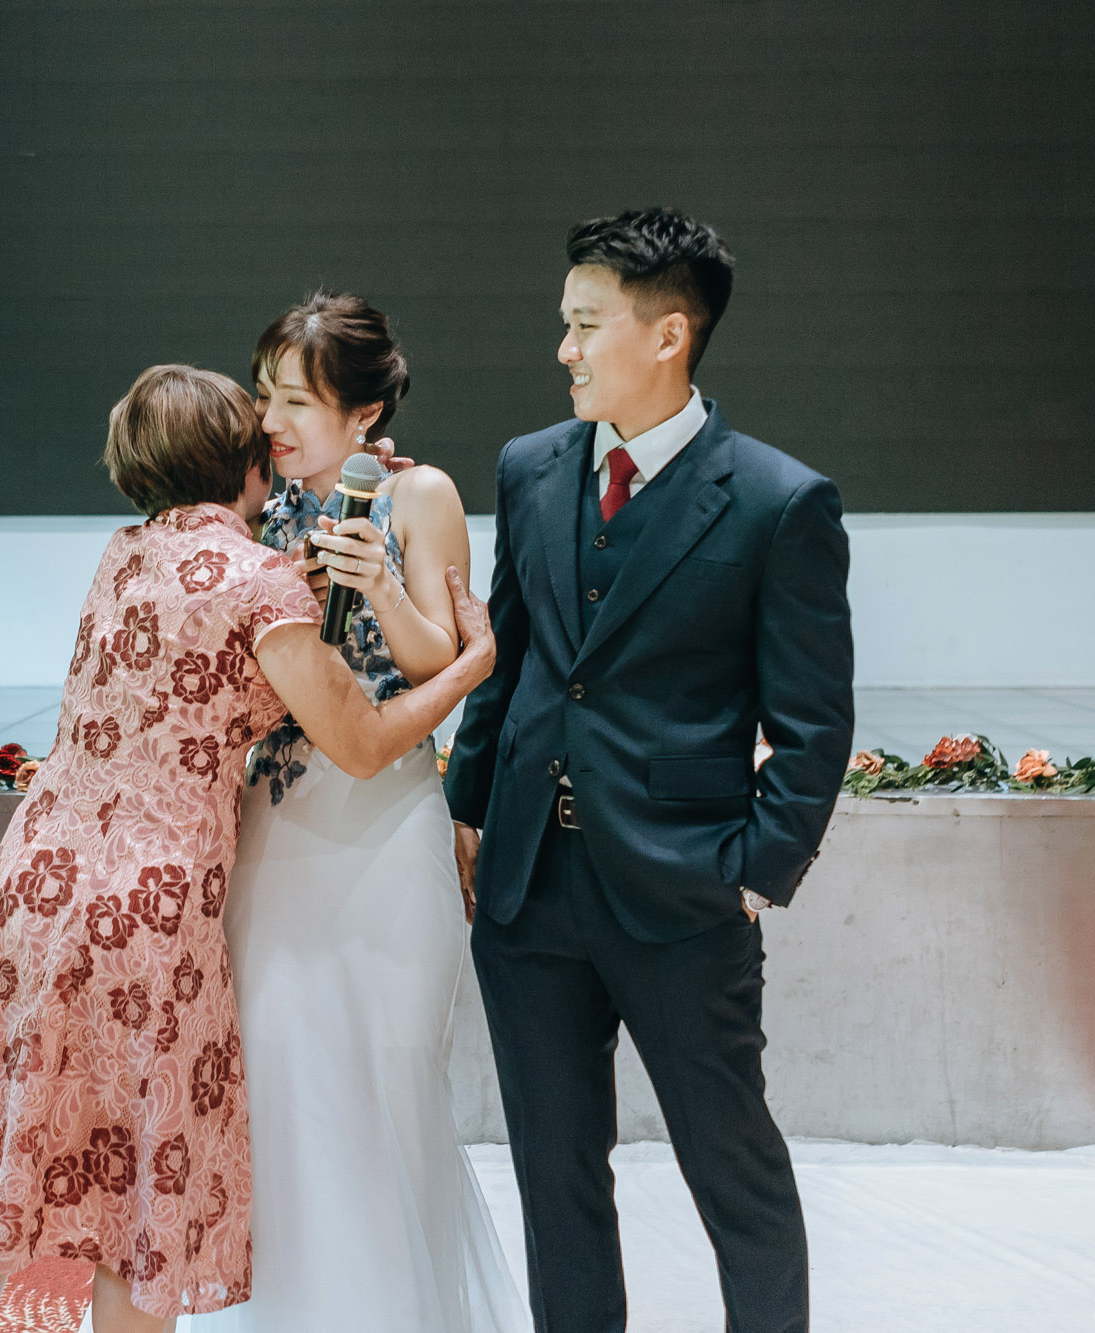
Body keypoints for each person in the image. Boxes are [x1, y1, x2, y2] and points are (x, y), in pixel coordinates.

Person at [0, 364, 495, 1333]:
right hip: (151, 919)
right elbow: (360, 741)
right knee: (141, 1204)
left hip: (29, 892)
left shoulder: (122, 553)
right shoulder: (260, 581)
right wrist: (469, 663)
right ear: (246, 462)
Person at [444, 209, 854, 1333]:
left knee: (733, 1170)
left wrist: (754, 870)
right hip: (527, 889)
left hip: (684, 893)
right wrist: (468, 811)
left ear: (668, 335)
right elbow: (507, 655)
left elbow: (814, 723)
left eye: (586, 325)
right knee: (554, 1176)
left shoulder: (777, 501)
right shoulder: (530, 467)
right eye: (564, 323)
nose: (564, 349)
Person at [183, 293, 527, 1332]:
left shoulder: (418, 494)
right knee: (278, 1074)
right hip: (275, 824)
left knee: (382, 1081)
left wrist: (376, 585)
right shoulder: (256, 502)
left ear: (365, 412)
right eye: (266, 394)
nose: (271, 419)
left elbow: (442, 662)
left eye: (297, 399)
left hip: (386, 822)